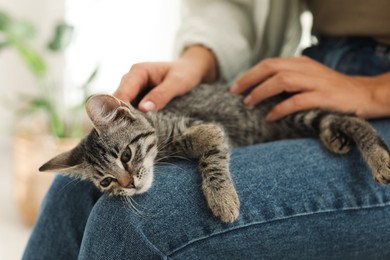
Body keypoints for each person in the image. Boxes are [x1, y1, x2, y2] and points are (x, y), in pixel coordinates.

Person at [23, 0, 390, 259]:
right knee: (68, 193)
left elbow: (206, 135)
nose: (126, 181)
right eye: (111, 179)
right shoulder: (138, 145)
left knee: (130, 225)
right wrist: (198, 59)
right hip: (315, 67)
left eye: (125, 161)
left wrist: (375, 90)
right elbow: (237, 8)